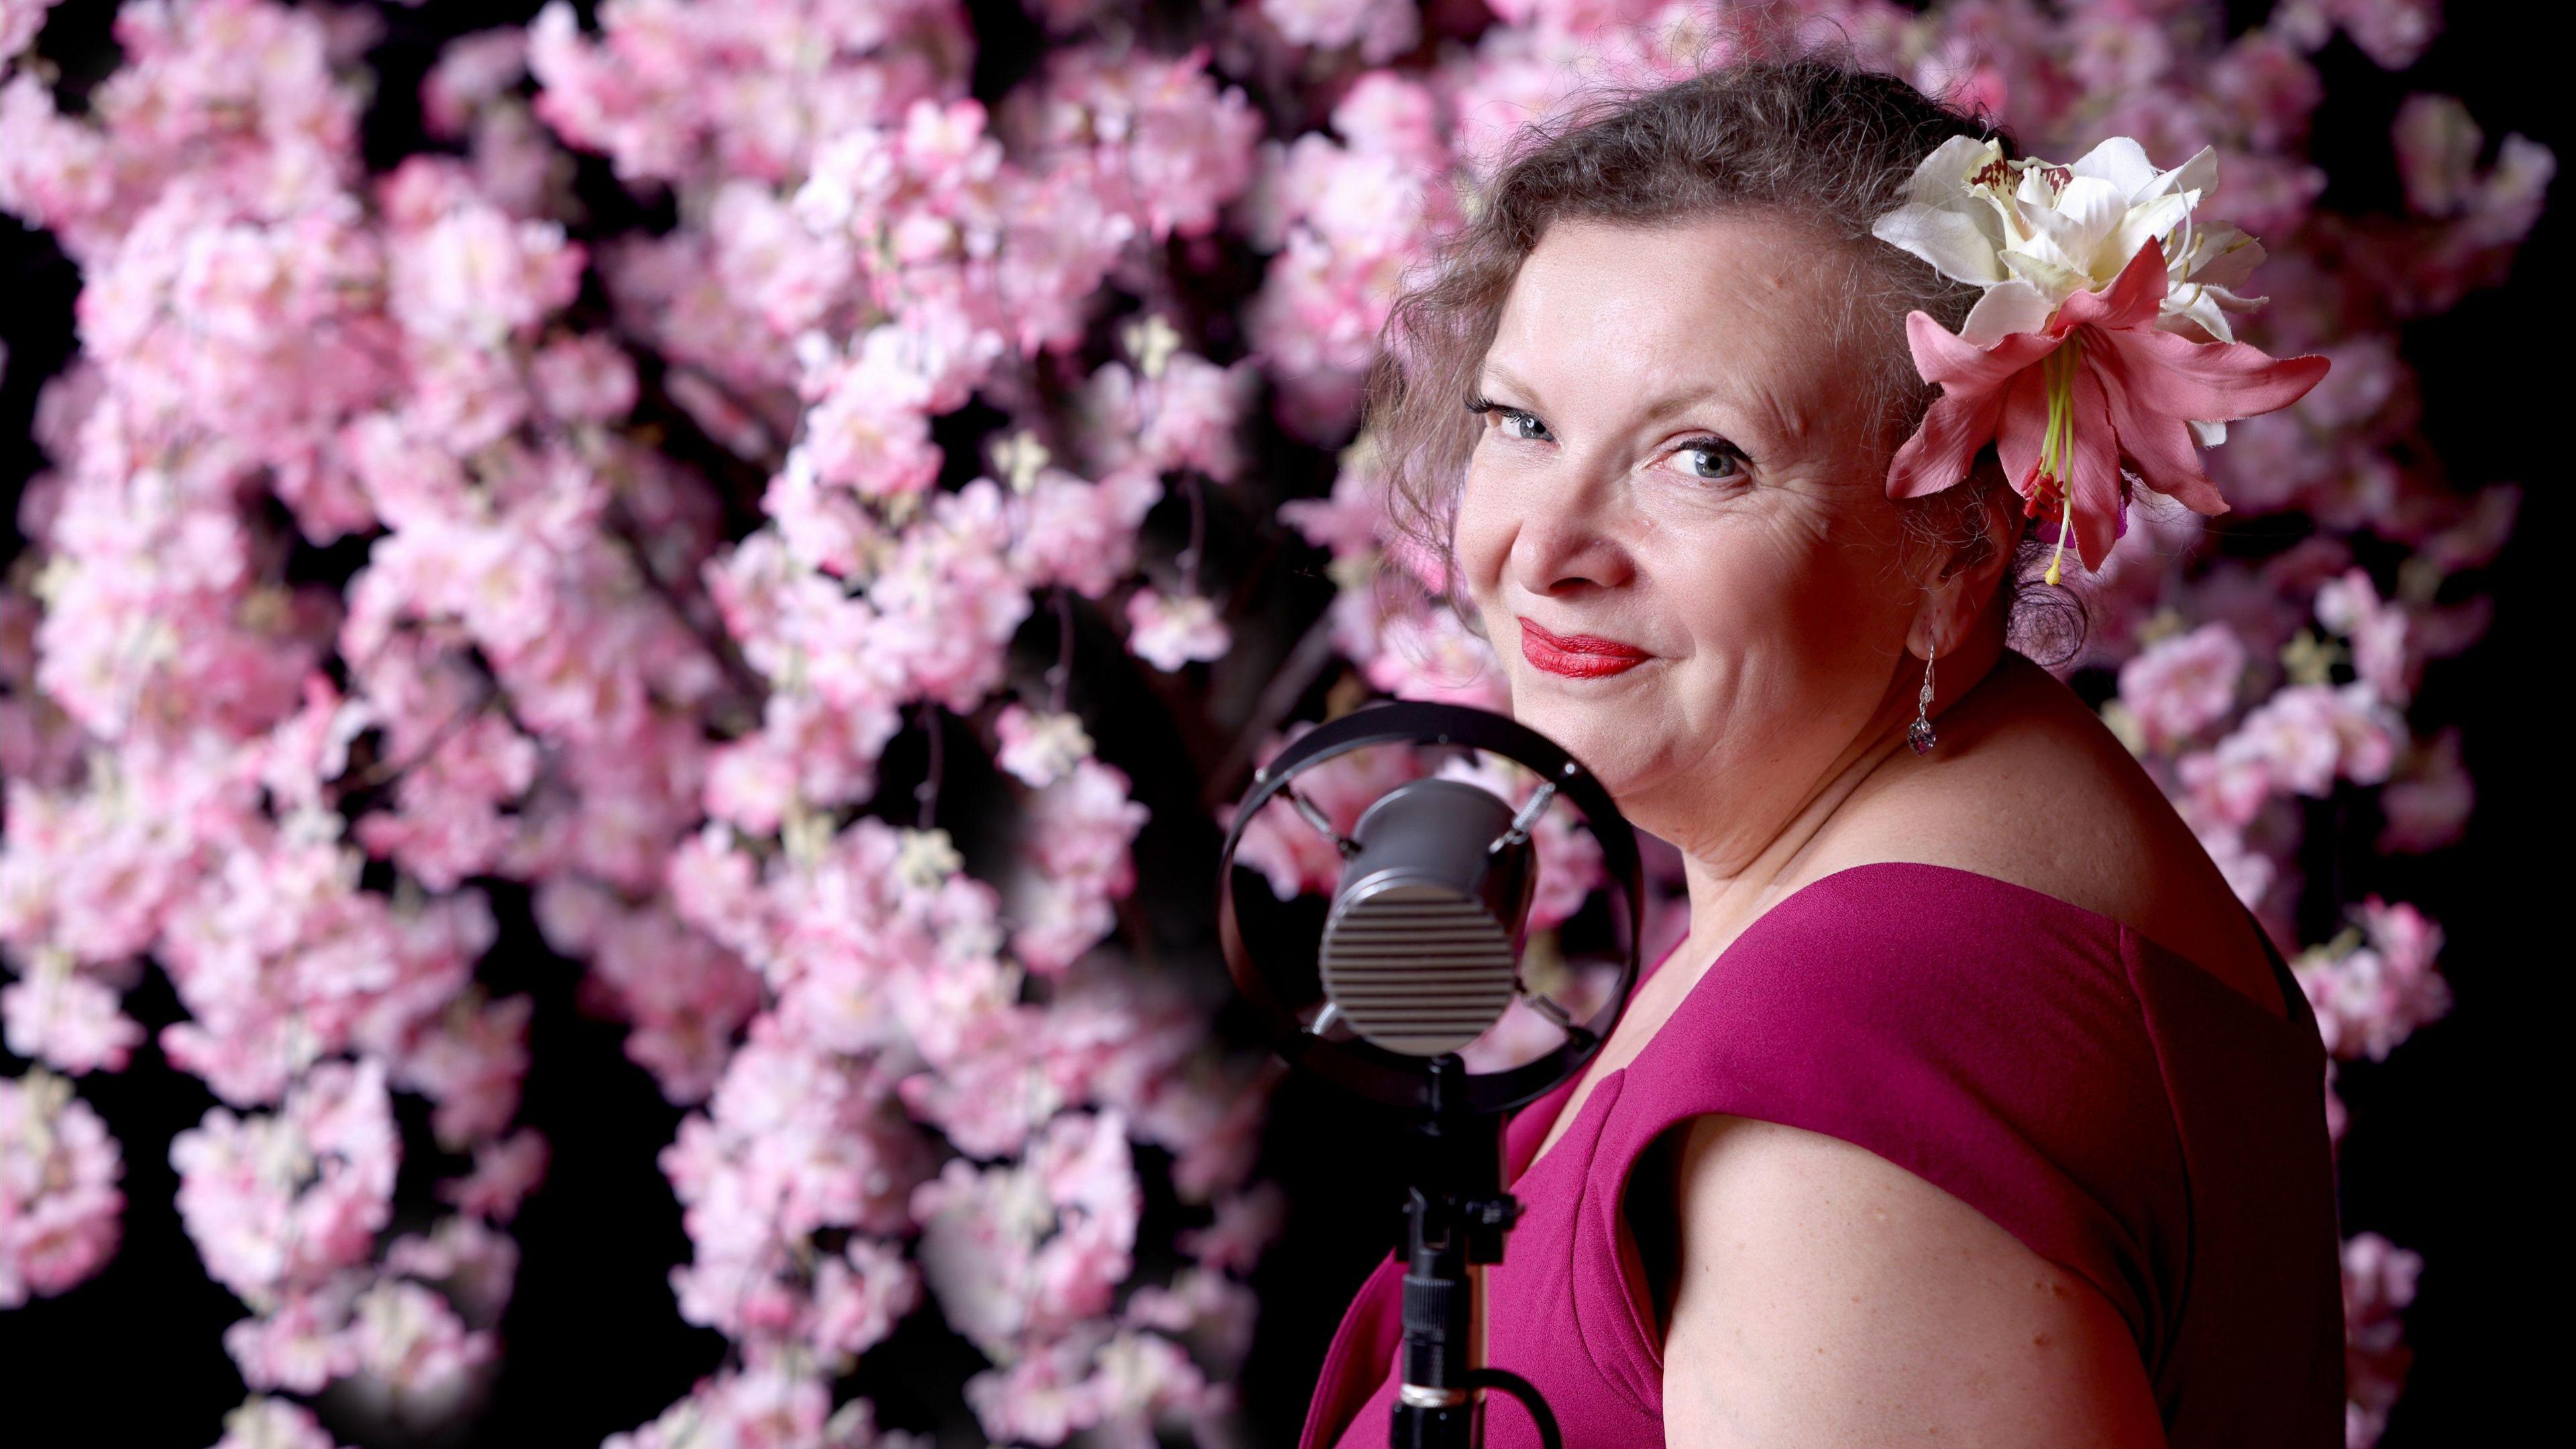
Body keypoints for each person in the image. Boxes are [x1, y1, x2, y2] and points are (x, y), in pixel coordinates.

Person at [1298, 54, 2344, 1449]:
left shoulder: (1845, 1110)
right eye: (1523, 423)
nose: (1544, 554)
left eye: (1704, 458)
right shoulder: (1936, 838)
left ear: (1957, 550)